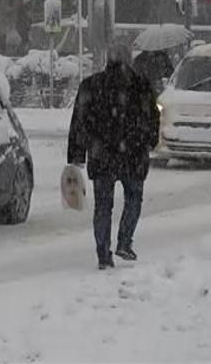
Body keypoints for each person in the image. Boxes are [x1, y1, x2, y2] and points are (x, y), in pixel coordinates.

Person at [67, 42, 160, 270]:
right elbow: (153, 119)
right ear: (129, 59)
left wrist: (77, 153)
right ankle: (124, 241)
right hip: (133, 154)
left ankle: (103, 254)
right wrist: (148, 142)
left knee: (103, 206)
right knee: (133, 199)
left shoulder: (91, 85)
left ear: (107, 59)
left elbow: (79, 121)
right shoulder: (141, 86)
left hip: (102, 155)